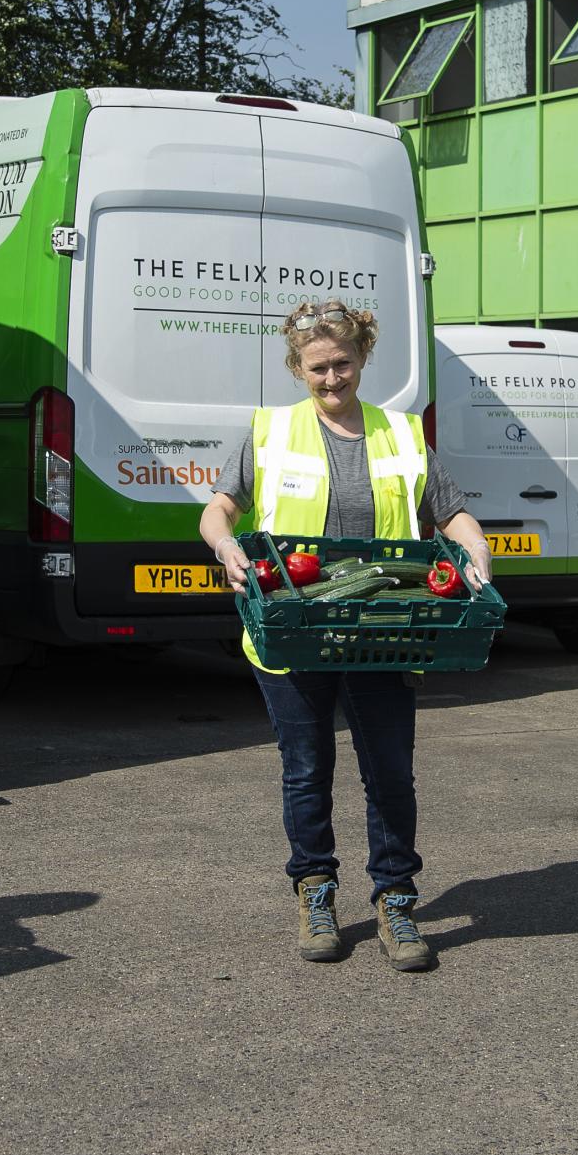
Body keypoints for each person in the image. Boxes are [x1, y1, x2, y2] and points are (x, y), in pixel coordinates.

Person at [198, 300, 491, 971]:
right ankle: (316, 890)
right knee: (306, 770)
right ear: (298, 368)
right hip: (294, 629)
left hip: (383, 630)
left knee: (390, 772)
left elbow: (451, 513)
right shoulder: (270, 432)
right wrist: (224, 547)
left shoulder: (402, 433)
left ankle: (395, 900)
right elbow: (220, 509)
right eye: (317, 368)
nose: (332, 378)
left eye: (342, 364)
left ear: (362, 357)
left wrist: (476, 552)